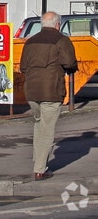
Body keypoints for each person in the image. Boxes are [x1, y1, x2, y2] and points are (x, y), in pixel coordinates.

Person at [20, 11, 78, 181]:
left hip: (31, 90)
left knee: (39, 125)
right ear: (57, 24)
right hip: (51, 90)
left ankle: (37, 161)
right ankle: (40, 169)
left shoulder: (30, 41)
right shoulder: (62, 40)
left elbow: (23, 67)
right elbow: (69, 62)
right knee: (47, 129)